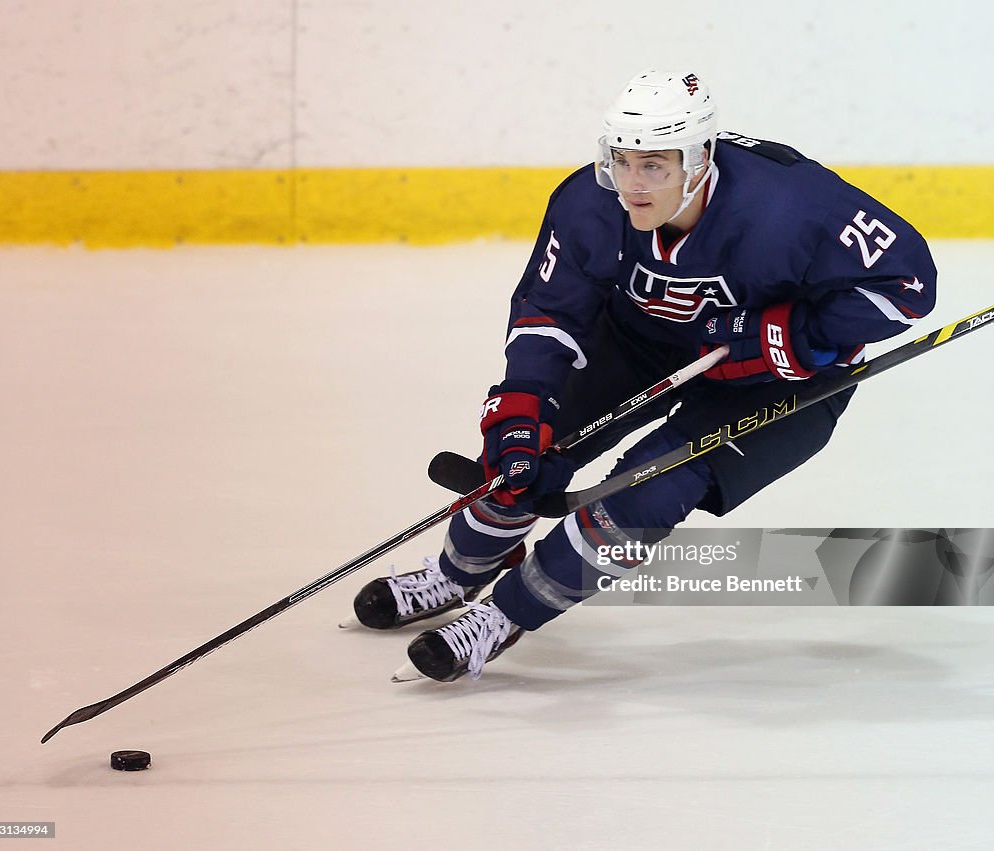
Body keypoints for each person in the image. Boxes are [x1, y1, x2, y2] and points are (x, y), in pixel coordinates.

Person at [348, 68, 938, 682]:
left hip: (778, 383)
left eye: (654, 166)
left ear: (700, 157)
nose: (632, 183)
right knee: (522, 451)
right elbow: (550, 311)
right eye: (622, 161)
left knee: (645, 495)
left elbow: (909, 287)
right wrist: (524, 400)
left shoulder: (794, 208)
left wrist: (785, 337)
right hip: (645, 342)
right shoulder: (588, 203)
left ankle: (503, 615)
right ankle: (454, 575)